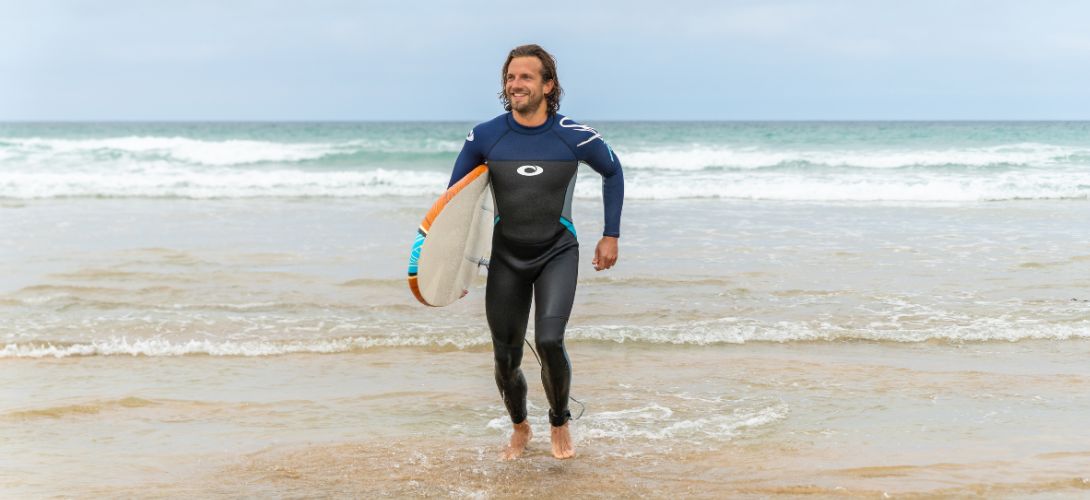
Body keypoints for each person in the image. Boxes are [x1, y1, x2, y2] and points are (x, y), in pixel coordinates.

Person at [446, 44, 624, 460]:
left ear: (548, 85)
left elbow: (613, 171)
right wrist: (453, 267)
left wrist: (610, 234)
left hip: (557, 252)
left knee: (548, 339)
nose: (515, 84)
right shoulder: (486, 136)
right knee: (505, 356)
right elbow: (454, 200)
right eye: (510, 77)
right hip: (506, 256)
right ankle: (520, 427)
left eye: (525, 76)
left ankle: (559, 422)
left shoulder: (575, 136)